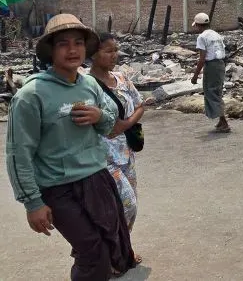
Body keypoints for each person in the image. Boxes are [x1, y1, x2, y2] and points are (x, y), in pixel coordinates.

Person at [6, 14, 136, 279]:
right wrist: (33, 203)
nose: (73, 49)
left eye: (78, 42)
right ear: (51, 51)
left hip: (97, 179)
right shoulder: (31, 96)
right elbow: (19, 153)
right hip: (58, 188)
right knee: (93, 255)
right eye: (63, 44)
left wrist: (99, 116)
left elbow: (110, 124)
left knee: (113, 244)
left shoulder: (89, 84)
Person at [89, 33, 145, 264]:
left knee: (130, 205)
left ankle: (122, 248)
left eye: (116, 50)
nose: (115, 55)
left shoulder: (121, 78)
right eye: (108, 51)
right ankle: (109, 254)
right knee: (125, 205)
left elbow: (140, 104)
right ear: (93, 54)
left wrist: (125, 124)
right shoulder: (85, 83)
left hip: (126, 152)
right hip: (101, 157)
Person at [190, 12, 230, 133]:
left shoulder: (202, 37)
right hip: (220, 65)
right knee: (217, 92)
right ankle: (221, 121)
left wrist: (195, 76)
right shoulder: (216, 34)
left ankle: (224, 123)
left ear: (198, 25)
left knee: (211, 93)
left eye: (196, 26)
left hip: (211, 66)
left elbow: (202, 59)